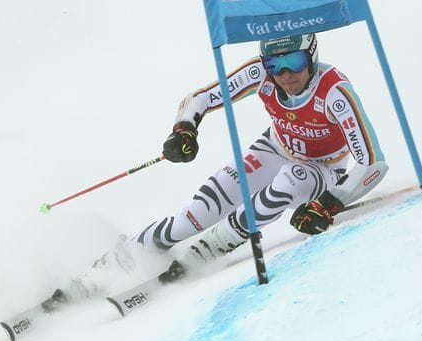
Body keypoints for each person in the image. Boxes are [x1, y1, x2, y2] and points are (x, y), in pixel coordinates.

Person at [130, 33, 388, 275]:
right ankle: (125, 258)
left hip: (323, 167)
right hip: (273, 149)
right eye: (275, 65)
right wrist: (184, 129)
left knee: (290, 179)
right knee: (199, 212)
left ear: (311, 56)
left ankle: (215, 245)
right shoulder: (259, 72)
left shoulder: (334, 92)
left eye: (295, 61)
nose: (286, 74)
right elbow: (200, 98)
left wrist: (329, 203)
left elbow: (373, 162)